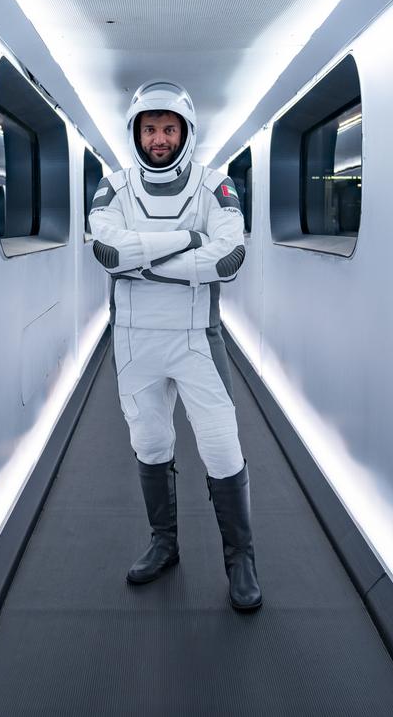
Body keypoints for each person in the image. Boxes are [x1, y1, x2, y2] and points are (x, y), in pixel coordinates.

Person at [88, 79, 260, 612]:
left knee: (221, 447)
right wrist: (189, 241)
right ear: (135, 133)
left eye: (168, 128)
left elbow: (229, 261)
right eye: (149, 128)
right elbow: (109, 255)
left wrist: (146, 260)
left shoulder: (215, 187)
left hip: (195, 342)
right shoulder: (113, 187)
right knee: (150, 445)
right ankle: (165, 545)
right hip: (135, 343)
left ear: (185, 132)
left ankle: (241, 559)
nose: (158, 138)